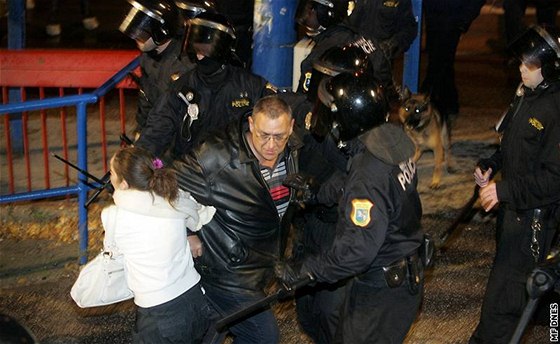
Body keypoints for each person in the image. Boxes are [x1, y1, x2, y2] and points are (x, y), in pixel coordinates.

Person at [277, 71, 425, 343]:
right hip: (398, 275)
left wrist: (308, 270)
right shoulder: (387, 141)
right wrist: (317, 193)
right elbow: (350, 181)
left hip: (383, 289)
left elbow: (356, 251)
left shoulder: (368, 175)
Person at [172, 95, 302, 343]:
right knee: (263, 337)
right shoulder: (216, 158)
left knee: (211, 332)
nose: (271, 145)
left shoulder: (295, 149)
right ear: (251, 124)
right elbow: (163, 184)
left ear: (292, 127)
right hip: (227, 272)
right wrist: (185, 232)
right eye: (264, 135)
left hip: (261, 268)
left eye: (280, 136)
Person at [469, 25, 560, 344]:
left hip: (533, 222)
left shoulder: (555, 109)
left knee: (504, 307)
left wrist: (504, 190)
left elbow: (555, 180)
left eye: (529, 64)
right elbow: (512, 146)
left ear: (547, 69)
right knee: (508, 299)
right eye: (521, 61)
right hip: (512, 216)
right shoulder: (526, 97)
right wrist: (491, 166)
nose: (521, 68)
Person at [105, 146, 215, 343]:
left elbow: (114, 258)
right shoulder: (174, 200)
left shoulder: (115, 216)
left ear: (122, 184)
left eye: (111, 172)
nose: (109, 176)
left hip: (158, 311)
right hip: (195, 301)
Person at [135, 11, 276, 158]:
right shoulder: (181, 89)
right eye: (195, 49)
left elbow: (279, 114)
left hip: (236, 171)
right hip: (190, 170)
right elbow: (156, 132)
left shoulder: (251, 86)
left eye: (205, 50)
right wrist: (132, 163)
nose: (199, 56)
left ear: (222, 49)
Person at [119, 0, 215, 137]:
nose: (137, 37)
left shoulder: (186, 64)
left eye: (142, 33)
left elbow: (192, 118)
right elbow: (146, 98)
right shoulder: (148, 57)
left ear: (161, 30)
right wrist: (141, 131)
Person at [420, 0, 485, 130]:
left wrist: (463, 21)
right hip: (436, 16)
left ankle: (426, 99)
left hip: (453, 17)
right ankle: (448, 103)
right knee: (442, 61)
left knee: (438, 62)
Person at [343, 0, 417, 61]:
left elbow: (408, 28)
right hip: (347, 56)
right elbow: (335, 20)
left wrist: (391, 45)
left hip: (379, 62)